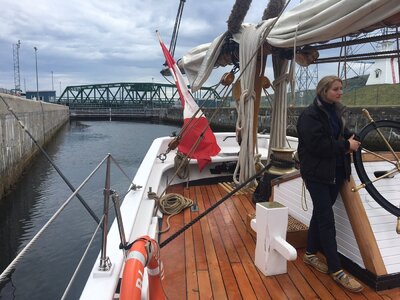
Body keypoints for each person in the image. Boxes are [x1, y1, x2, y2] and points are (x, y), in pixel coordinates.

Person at [296, 75, 363, 293]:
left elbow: (339, 135)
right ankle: (337, 269)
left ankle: (309, 254)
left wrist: (352, 138)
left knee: (321, 212)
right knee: (326, 219)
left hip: (335, 172)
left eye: (341, 88)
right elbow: (318, 145)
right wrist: (346, 145)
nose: (340, 92)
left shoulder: (335, 111)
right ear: (324, 90)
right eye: (336, 89)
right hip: (317, 173)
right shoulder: (310, 115)